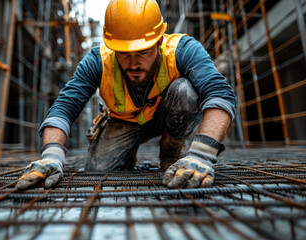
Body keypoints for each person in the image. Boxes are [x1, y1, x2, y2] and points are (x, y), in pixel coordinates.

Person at [16, 0, 236, 190]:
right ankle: (127, 154)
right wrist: (51, 155)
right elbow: (64, 107)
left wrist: (201, 155)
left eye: (143, 52)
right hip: (125, 122)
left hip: (168, 115)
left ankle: (171, 148)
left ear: (159, 42)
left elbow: (220, 94)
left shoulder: (183, 49)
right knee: (97, 171)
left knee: (186, 92)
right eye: (124, 54)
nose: (133, 64)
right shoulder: (98, 61)